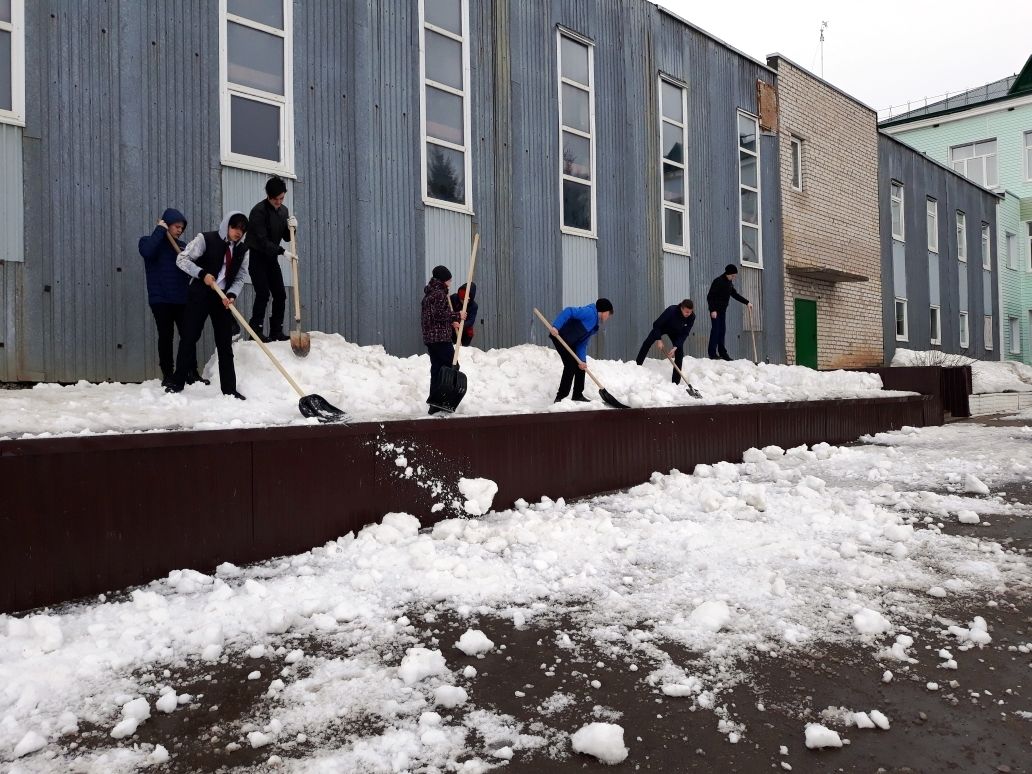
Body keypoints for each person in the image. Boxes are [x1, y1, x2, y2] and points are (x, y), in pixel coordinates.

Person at [163, 211, 251, 399]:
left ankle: (229, 390)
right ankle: (177, 382)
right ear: (227, 225)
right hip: (200, 295)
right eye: (234, 227)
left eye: (242, 230)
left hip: (222, 300)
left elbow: (241, 275)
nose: (238, 232)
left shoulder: (243, 250)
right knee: (189, 337)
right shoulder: (206, 239)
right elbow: (182, 260)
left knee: (225, 344)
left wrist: (232, 294)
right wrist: (202, 274)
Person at [137, 208, 207, 384]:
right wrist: (159, 231)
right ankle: (168, 374)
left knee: (188, 336)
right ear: (166, 225)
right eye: (176, 226)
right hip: (160, 298)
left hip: (182, 299)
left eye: (182, 228)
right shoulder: (148, 242)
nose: (179, 230)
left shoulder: (183, 247)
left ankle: (191, 371)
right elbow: (147, 252)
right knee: (166, 336)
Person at [246, 176, 295, 342]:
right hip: (258, 257)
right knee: (263, 293)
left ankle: (276, 331)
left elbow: (287, 238)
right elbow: (262, 240)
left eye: (282, 198)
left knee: (280, 294)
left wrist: (293, 229)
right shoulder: (258, 211)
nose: (279, 202)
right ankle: (255, 331)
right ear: (269, 196)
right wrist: (282, 252)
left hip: (271, 259)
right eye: (276, 199)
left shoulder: (284, 211)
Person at [546, 298, 614, 403]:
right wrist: (556, 327)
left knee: (580, 365)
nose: (609, 317)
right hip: (560, 336)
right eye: (609, 314)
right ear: (604, 311)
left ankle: (577, 394)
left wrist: (582, 360)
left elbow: (582, 343)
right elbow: (569, 311)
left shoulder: (594, 325)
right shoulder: (589, 312)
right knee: (570, 365)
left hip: (571, 342)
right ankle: (560, 397)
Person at [421, 265, 466, 415]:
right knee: (453, 366)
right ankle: (444, 400)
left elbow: (433, 316)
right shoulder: (439, 294)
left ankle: (435, 404)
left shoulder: (429, 294)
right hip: (440, 338)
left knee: (437, 369)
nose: (450, 283)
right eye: (449, 280)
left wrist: (450, 321)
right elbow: (439, 315)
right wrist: (457, 315)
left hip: (431, 338)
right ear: (443, 280)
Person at [635, 299, 695, 383]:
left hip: (676, 332)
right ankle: (637, 366)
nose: (688, 314)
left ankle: (675, 382)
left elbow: (685, 333)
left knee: (679, 353)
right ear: (681, 308)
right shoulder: (671, 311)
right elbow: (656, 324)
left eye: (690, 312)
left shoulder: (692, 317)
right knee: (647, 343)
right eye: (686, 312)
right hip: (662, 328)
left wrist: (676, 346)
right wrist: (659, 339)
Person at [706, 264, 752, 361]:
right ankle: (712, 353)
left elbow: (735, 295)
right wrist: (712, 310)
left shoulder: (729, 283)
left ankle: (723, 353)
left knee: (722, 331)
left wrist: (746, 302)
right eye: (733, 275)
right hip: (715, 311)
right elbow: (710, 296)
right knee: (716, 331)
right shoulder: (718, 281)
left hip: (722, 311)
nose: (734, 277)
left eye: (735, 276)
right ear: (728, 273)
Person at [450, 282, 478, 346]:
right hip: (453, 330)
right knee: (454, 348)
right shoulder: (453, 298)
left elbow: (471, 321)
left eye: (465, 300)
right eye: (461, 299)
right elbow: (447, 312)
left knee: (463, 350)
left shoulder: (474, 306)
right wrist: (452, 322)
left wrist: (460, 325)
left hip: (466, 332)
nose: (462, 301)